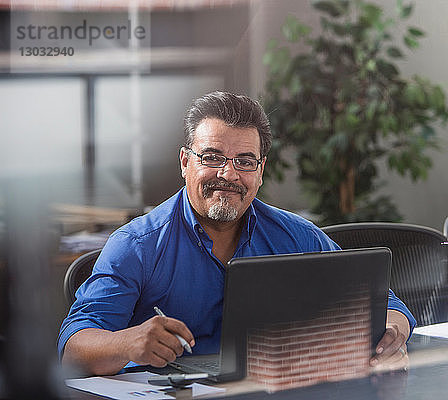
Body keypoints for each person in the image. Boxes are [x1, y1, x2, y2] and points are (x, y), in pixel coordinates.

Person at [58, 91, 417, 376]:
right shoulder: (136, 244)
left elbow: (385, 304)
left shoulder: (297, 236)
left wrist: (390, 335)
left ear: (260, 171)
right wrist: (127, 343)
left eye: (244, 161)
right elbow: (74, 349)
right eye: (212, 157)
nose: (229, 174)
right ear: (185, 162)